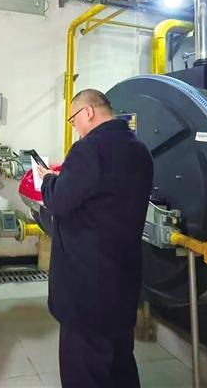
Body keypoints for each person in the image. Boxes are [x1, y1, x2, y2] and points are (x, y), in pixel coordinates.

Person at [37, 89, 153, 388]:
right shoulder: (140, 150)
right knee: (120, 363)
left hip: (86, 286)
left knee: (84, 370)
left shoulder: (89, 149)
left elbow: (59, 201)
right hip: (123, 278)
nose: (75, 128)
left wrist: (48, 179)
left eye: (73, 120)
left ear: (87, 112)